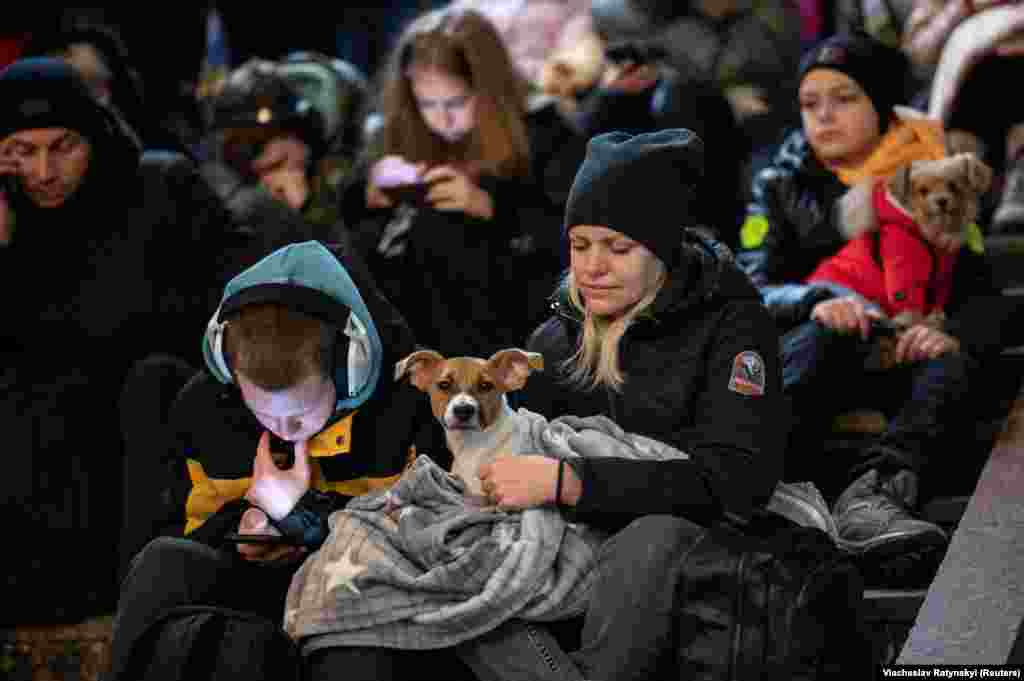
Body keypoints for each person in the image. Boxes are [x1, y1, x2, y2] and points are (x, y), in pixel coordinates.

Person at [475, 128, 790, 680]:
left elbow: (738, 478)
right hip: (568, 539)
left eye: (619, 248)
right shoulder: (554, 339)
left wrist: (572, 481)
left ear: (663, 249)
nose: (593, 267)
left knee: (651, 536)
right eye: (579, 245)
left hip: (685, 542)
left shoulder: (732, 326)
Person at [107, 240, 475, 680]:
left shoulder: (416, 406)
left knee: (355, 658)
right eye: (263, 410)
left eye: (300, 413)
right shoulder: (206, 409)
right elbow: (178, 529)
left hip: (367, 604)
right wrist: (245, 526)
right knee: (163, 562)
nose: (283, 428)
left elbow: (441, 546)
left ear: (349, 370)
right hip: (256, 593)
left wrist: (309, 522)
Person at [738, 33, 1017, 569]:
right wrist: (819, 298)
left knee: (952, 359)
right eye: (809, 104)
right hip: (818, 349)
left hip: (901, 358)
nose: (823, 117)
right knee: (825, 333)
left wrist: (945, 328)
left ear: (880, 102)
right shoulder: (777, 183)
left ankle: (875, 493)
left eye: (844, 99)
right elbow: (751, 288)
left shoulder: (938, 177)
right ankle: (761, 484)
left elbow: (982, 293)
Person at [0, 57, 256, 625]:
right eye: (20, 151)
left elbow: (240, 295)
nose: (43, 171)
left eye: (63, 146)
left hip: (156, 421)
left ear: (94, 137)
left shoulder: (160, 189)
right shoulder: (10, 224)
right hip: (42, 454)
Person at [344, 6, 588, 357]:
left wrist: (489, 207)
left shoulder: (544, 131)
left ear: (488, 91)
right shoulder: (398, 130)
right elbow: (354, 222)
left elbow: (571, 241)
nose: (442, 119)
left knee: (444, 230)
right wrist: (367, 195)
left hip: (505, 313)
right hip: (407, 318)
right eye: (427, 103)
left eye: (456, 102)